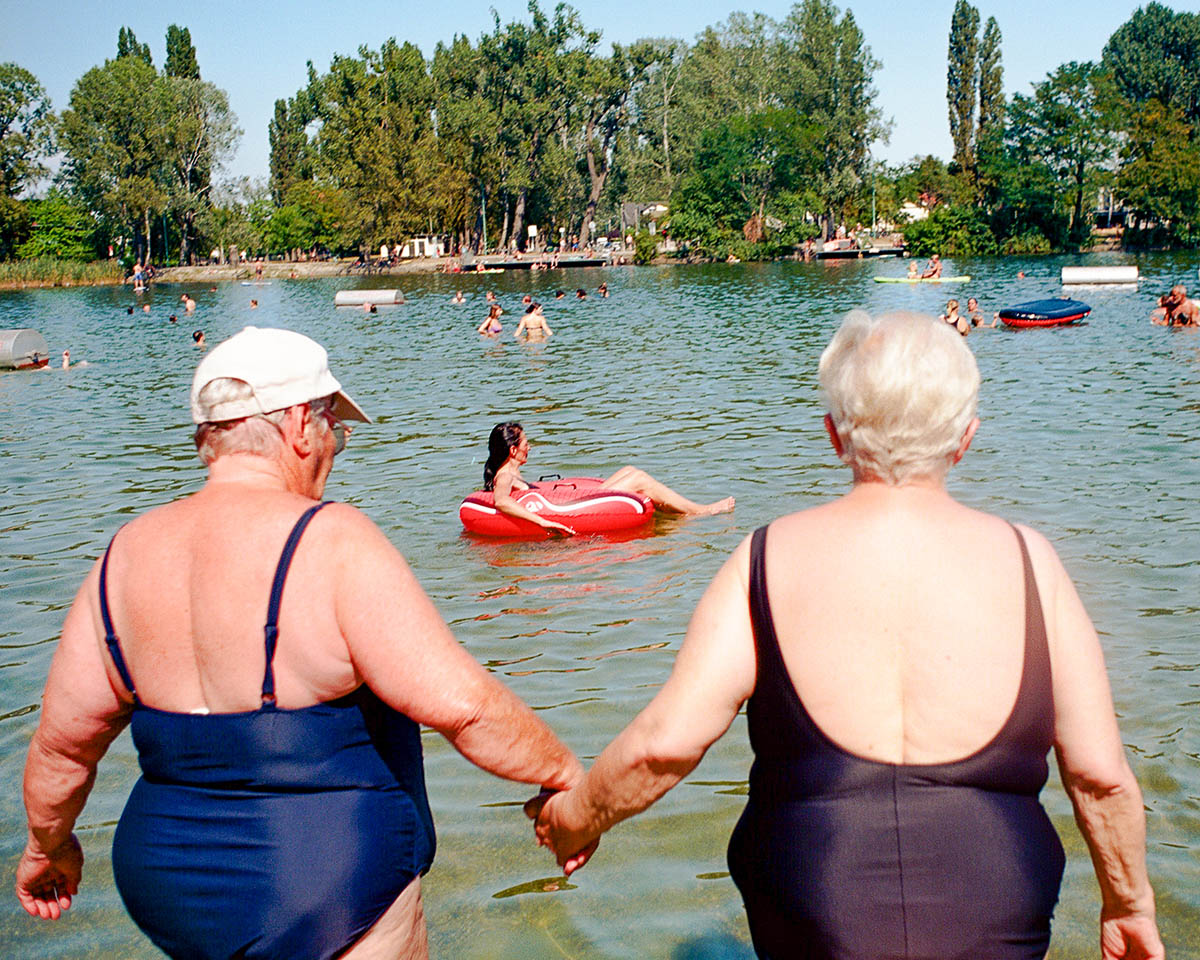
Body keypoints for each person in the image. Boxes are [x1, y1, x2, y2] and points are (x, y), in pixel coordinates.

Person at [528, 311, 1162, 960]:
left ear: (834, 434)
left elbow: (662, 749)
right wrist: (1128, 902)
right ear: (966, 438)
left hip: (816, 911)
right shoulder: (1035, 565)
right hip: (997, 904)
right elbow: (1100, 778)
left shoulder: (764, 559)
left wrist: (575, 818)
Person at [17, 326, 585, 959]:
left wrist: (48, 846)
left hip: (170, 886)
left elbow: (64, 748)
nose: (335, 449)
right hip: (325, 875)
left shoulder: (123, 557)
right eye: (335, 430)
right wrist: (565, 777)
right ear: (298, 425)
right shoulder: (330, 541)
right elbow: (465, 707)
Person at [482, 422, 733, 539]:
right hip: (566, 512)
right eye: (526, 443)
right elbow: (502, 501)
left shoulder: (511, 471)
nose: (530, 447)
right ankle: (699, 511)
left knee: (630, 470)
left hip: (573, 502)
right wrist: (543, 521)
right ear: (513, 450)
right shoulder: (505, 474)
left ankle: (678, 511)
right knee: (640, 479)